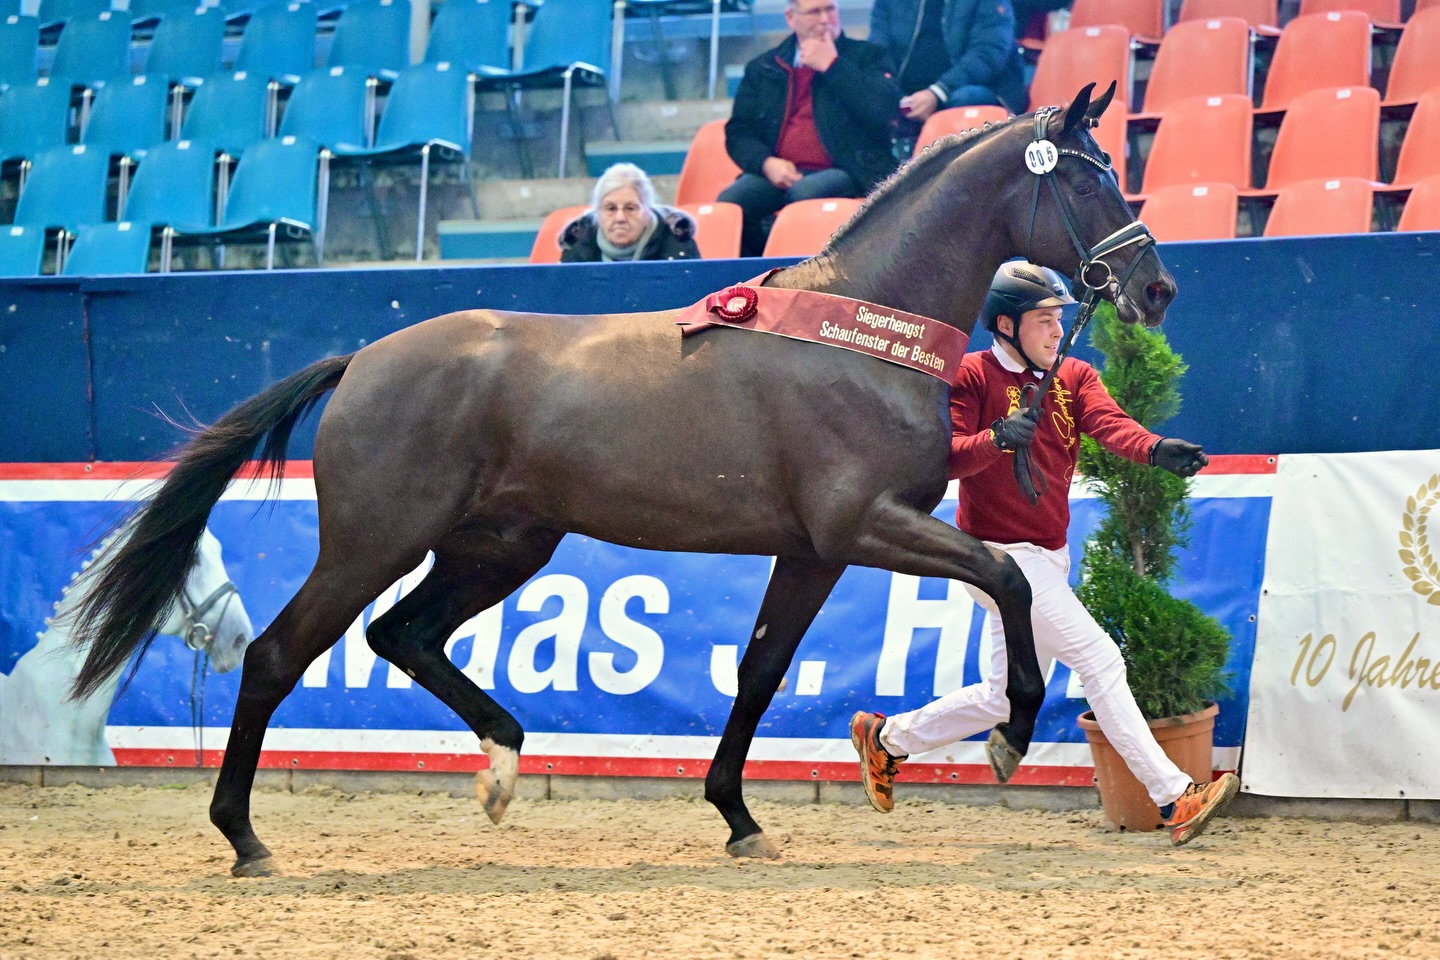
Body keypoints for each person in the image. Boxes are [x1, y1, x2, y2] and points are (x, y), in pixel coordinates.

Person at [849, 260, 1240, 848]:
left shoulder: (1074, 376)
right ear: (1005, 324)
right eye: (1044, 320)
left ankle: (885, 739)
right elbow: (945, 457)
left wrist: (1156, 449)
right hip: (994, 559)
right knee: (1101, 660)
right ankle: (1174, 797)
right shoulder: (973, 376)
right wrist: (995, 439)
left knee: (1000, 695)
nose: (1057, 331)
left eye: (1060, 319)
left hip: (1049, 554)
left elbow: (1111, 426)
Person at [718, 0, 901, 257]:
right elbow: (738, 132)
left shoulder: (869, 55)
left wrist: (833, 66)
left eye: (830, 9)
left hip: (850, 169)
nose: (825, 19)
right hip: (781, 169)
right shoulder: (764, 67)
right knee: (731, 205)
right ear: (791, 18)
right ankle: (757, 276)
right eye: (815, 12)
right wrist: (766, 163)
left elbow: (883, 111)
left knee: (804, 194)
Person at [868, 0, 1030, 156]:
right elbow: (878, 52)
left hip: (971, 86)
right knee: (861, 95)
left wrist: (938, 92)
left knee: (965, 98)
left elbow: (988, 53)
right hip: (907, 91)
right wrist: (891, 90)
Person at [559, 163, 701, 263]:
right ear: (598, 213)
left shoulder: (678, 243)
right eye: (610, 208)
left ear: (648, 211)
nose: (620, 218)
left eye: (630, 208)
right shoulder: (577, 244)